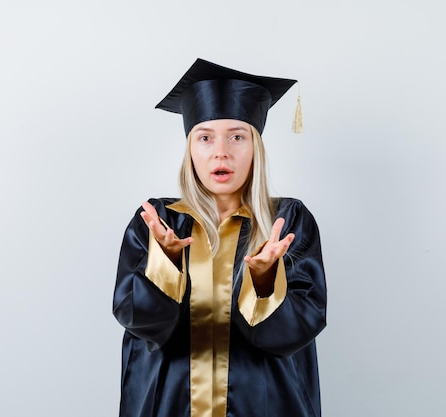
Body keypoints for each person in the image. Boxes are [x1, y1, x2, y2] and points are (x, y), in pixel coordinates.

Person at [112, 58, 327, 417]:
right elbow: (140, 322)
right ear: (190, 149)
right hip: (170, 406)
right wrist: (165, 263)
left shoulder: (287, 221)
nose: (221, 151)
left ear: (256, 146)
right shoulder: (158, 221)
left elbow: (296, 332)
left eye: (237, 136)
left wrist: (263, 280)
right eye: (205, 137)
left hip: (266, 406)